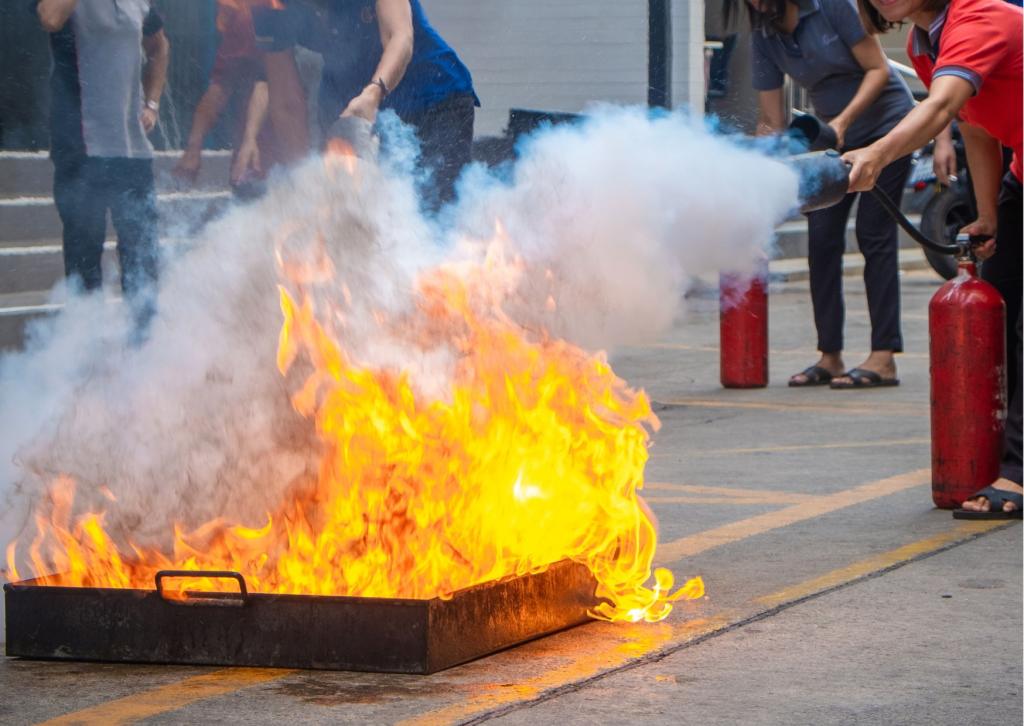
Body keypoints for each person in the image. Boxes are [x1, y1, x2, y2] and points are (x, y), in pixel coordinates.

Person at [845, 0, 1022, 517]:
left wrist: (877, 153)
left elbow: (942, 108)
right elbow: (976, 126)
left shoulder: (980, 18)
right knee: (1003, 310)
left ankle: (1019, 472)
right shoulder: (928, 41)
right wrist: (987, 213)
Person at [727, 0, 915, 389]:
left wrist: (843, 121)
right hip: (832, 144)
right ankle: (830, 356)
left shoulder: (831, 6)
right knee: (822, 238)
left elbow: (879, 70)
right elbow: (773, 120)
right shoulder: (764, 34)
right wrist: (765, 154)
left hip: (888, 130)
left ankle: (883, 357)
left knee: (873, 234)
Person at [256, 0, 478, 209]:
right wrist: (301, 180)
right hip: (346, 105)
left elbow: (399, 37)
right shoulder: (268, 6)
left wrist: (372, 94)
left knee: (433, 212)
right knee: (361, 214)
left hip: (432, 99)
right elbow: (286, 105)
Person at [36, 0, 169, 328]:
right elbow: (50, 18)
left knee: (142, 256)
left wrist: (151, 103)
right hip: (81, 146)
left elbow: (159, 46)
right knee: (84, 259)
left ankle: (146, 350)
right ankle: (85, 354)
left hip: (131, 149)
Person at [173, 0, 279, 192]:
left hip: (291, 158)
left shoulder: (265, 11)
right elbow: (224, 86)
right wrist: (194, 148)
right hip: (262, 165)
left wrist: (194, 148)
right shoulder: (249, 15)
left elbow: (265, 82)